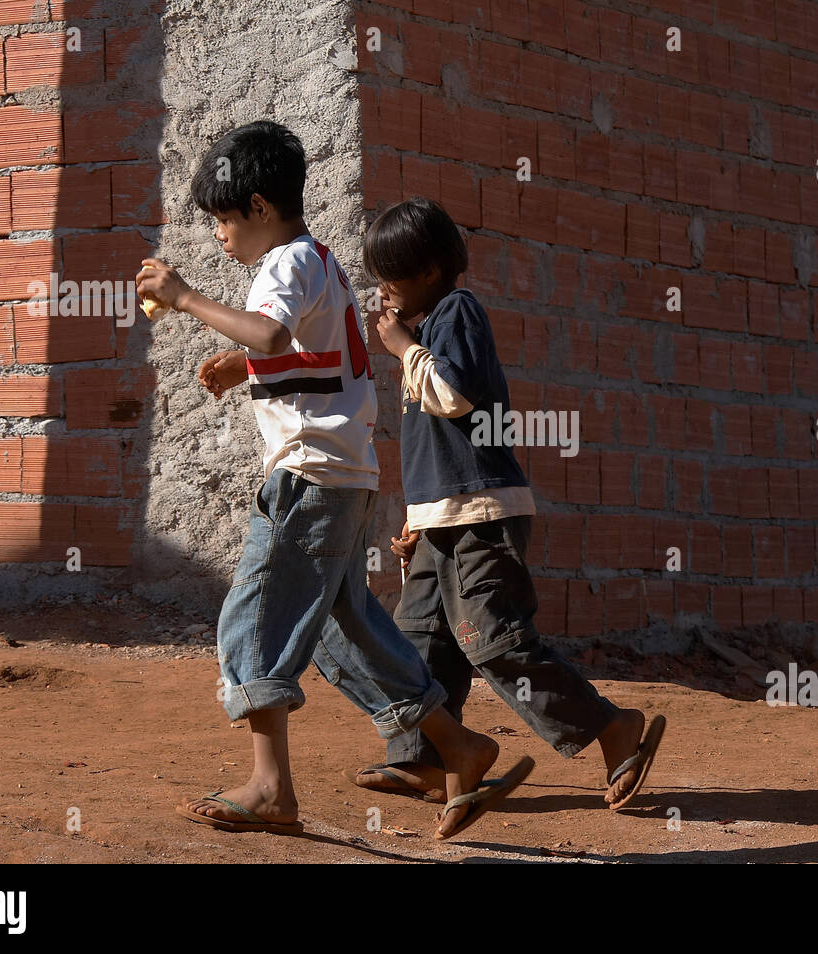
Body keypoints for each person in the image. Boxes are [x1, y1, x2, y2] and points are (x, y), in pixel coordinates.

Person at [138, 122, 531, 840]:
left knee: (252, 619)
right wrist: (248, 368)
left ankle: (269, 787)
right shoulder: (320, 260)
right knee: (345, 629)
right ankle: (457, 744)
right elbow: (317, 360)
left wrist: (186, 296)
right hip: (345, 475)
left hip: (307, 477)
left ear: (259, 207)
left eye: (224, 218)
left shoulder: (283, 265)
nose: (220, 235)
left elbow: (269, 334)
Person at [349, 196, 666, 810]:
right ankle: (424, 759)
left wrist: (401, 348)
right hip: (444, 517)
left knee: (492, 640)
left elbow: (455, 398)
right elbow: (427, 450)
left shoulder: (457, 313)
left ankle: (610, 727)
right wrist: (416, 521)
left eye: (391, 275)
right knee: (419, 639)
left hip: (481, 513)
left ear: (430, 272)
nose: (382, 289)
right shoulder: (426, 332)